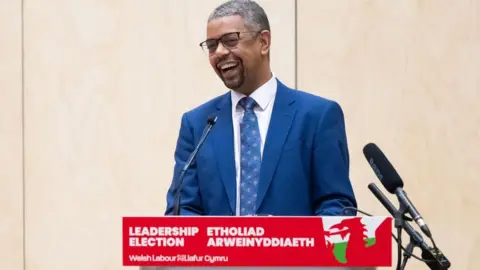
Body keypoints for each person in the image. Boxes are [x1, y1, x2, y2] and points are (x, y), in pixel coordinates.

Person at [165, 0, 357, 216]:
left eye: (230, 40)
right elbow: (183, 210)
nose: (219, 52)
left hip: (294, 250)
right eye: (211, 45)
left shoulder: (317, 116)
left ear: (263, 42)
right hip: (218, 251)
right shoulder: (198, 124)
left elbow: (336, 205)